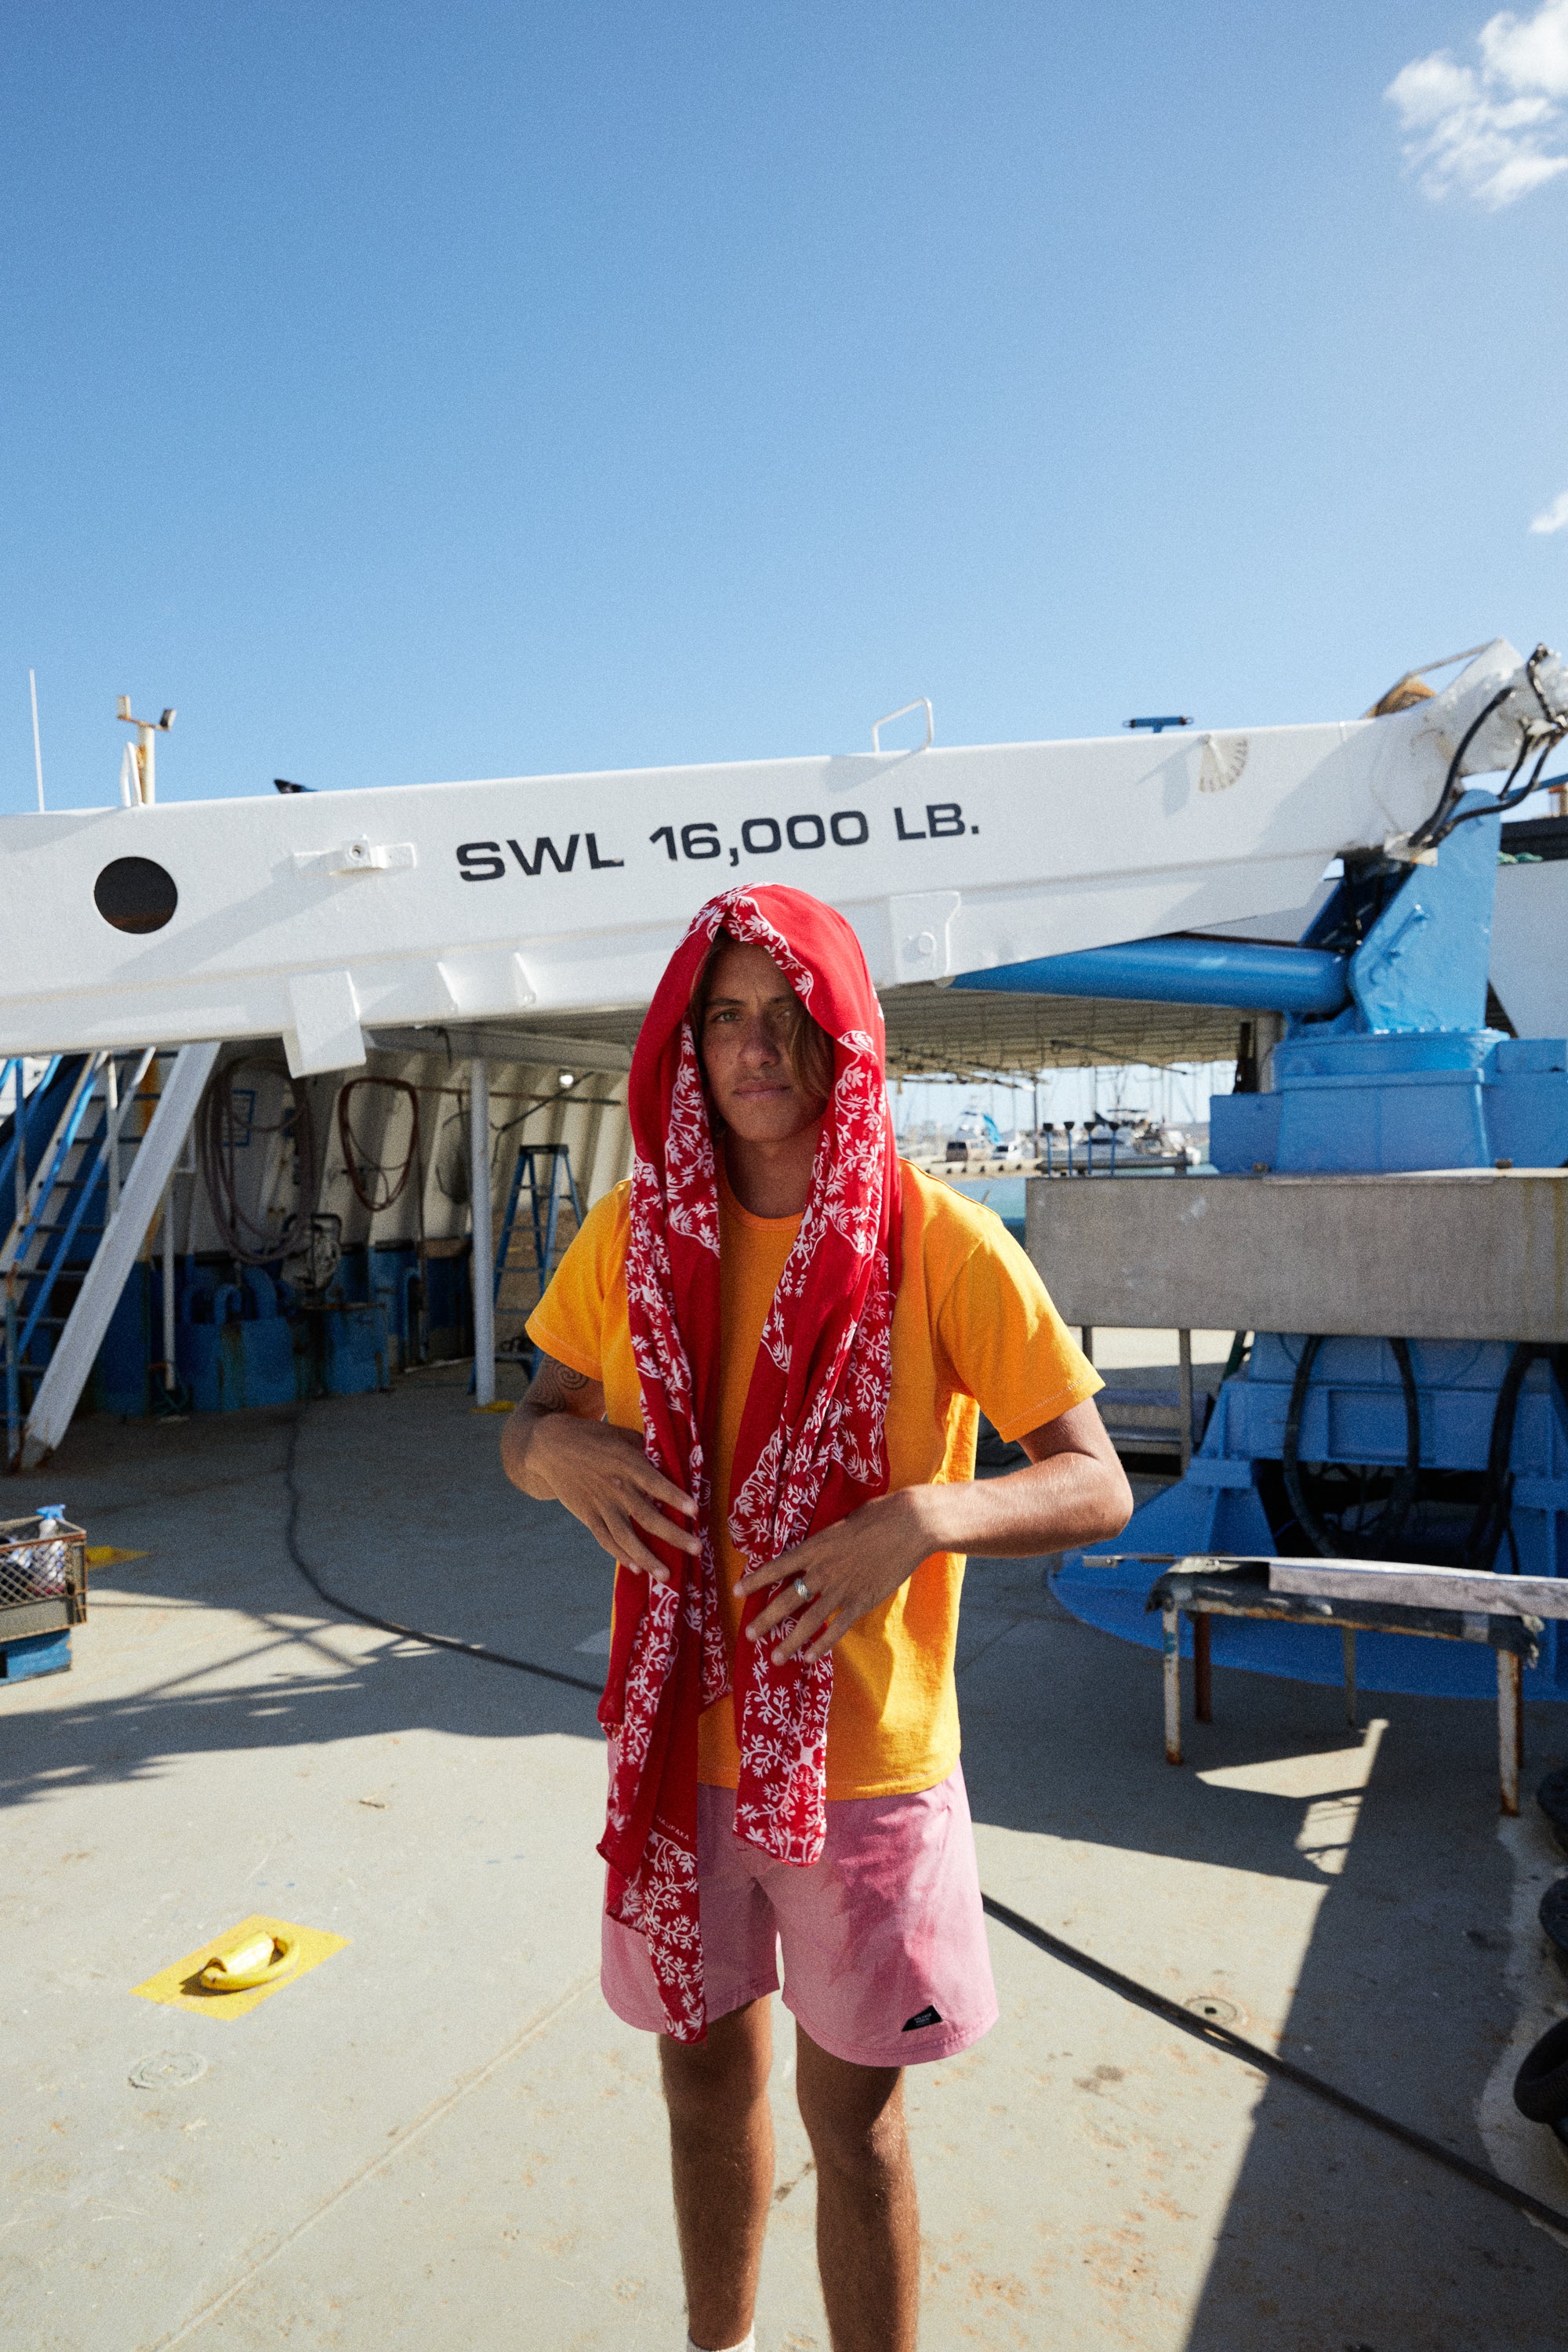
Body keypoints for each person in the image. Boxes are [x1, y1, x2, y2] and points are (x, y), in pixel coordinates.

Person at [501, 884, 1131, 2352]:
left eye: (787, 1016)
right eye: (724, 1016)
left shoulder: (940, 1241)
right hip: (680, 1761)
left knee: (856, 2128)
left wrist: (923, 1516)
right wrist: (554, 1453)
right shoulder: (629, 1239)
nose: (755, 1047)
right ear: (685, 1042)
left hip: (866, 1771)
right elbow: (535, 1422)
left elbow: (1094, 1485)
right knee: (699, 2087)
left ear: (844, 1037)